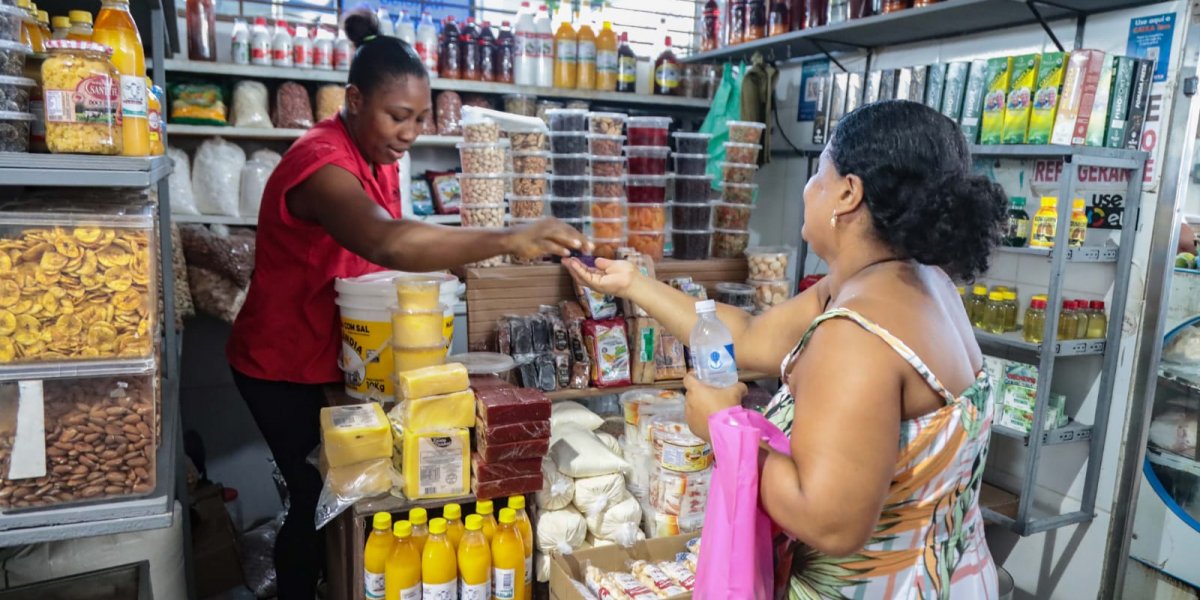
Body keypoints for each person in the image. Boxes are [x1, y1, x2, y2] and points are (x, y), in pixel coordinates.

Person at [567, 100, 1005, 598]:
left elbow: (831, 523)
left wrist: (720, 427)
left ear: (847, 193)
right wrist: (635, 284)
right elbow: (749, 340)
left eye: (819, 172)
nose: (808, 189)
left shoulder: (856, 335)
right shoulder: (914, 284)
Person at [226, 10, 589, 599]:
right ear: (353, 99)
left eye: (421, 119)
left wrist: (466, 264)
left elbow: (392, 249)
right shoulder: (323, 163)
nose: (410, 132)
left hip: (343, 358)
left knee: (348, 498)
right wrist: (505, 237)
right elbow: (385, 240)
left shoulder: (376, 156)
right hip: (281, 363)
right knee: (318, 496)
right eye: (398, 116)